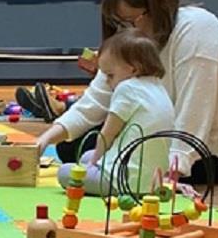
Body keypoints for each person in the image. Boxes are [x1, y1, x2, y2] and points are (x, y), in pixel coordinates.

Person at [36, 0, 218, 184]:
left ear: (156, 8)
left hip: (207, 155)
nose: (124, 30)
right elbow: (94, 101)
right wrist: (43, 141)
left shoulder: (197, 31)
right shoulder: (134, 41)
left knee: (93, 155)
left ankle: (121, 168)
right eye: (119, 23)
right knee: (70, 144)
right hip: (151, 134)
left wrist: (173, 172)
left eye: (130, 21)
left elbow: (194, 114)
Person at [55, 28, 174, 196]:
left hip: (122, 180)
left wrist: (93, 165)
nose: (109, 82)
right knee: (86, 156)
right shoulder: (158, 87)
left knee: (66, 172)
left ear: (133, 69)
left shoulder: (127, 88)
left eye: (110, 75)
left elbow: (107, 134)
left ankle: (101, 173)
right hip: (153, 180)